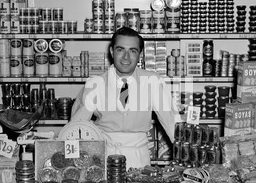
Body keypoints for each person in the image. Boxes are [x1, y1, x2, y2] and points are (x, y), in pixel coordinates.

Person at [70, 27, 181, 168]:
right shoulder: (95, 84)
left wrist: (188, 156)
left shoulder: (153, 81)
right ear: (112, 51)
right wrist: (71, 165)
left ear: (140, 54)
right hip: (104, 157)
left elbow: (172, 122)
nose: (126, 57)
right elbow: (75, 126)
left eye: (133, 51)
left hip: (139, 158)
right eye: (120, 49)